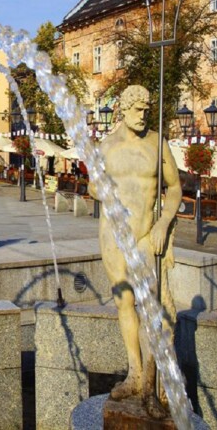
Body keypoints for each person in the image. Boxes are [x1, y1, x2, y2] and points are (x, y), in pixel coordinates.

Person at [88, 85, 181, 416]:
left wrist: (164, 222)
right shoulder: (106, 146)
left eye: (147, 109)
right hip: (113, 234)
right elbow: (92, 186)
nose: (143, 115)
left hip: (145, 235)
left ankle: (153, 386)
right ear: (123, 110)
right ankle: (135, 373)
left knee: (151, 307)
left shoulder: (158, 144)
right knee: (124, 303)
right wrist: (101, 190)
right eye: (138, 109)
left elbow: (175, 188)